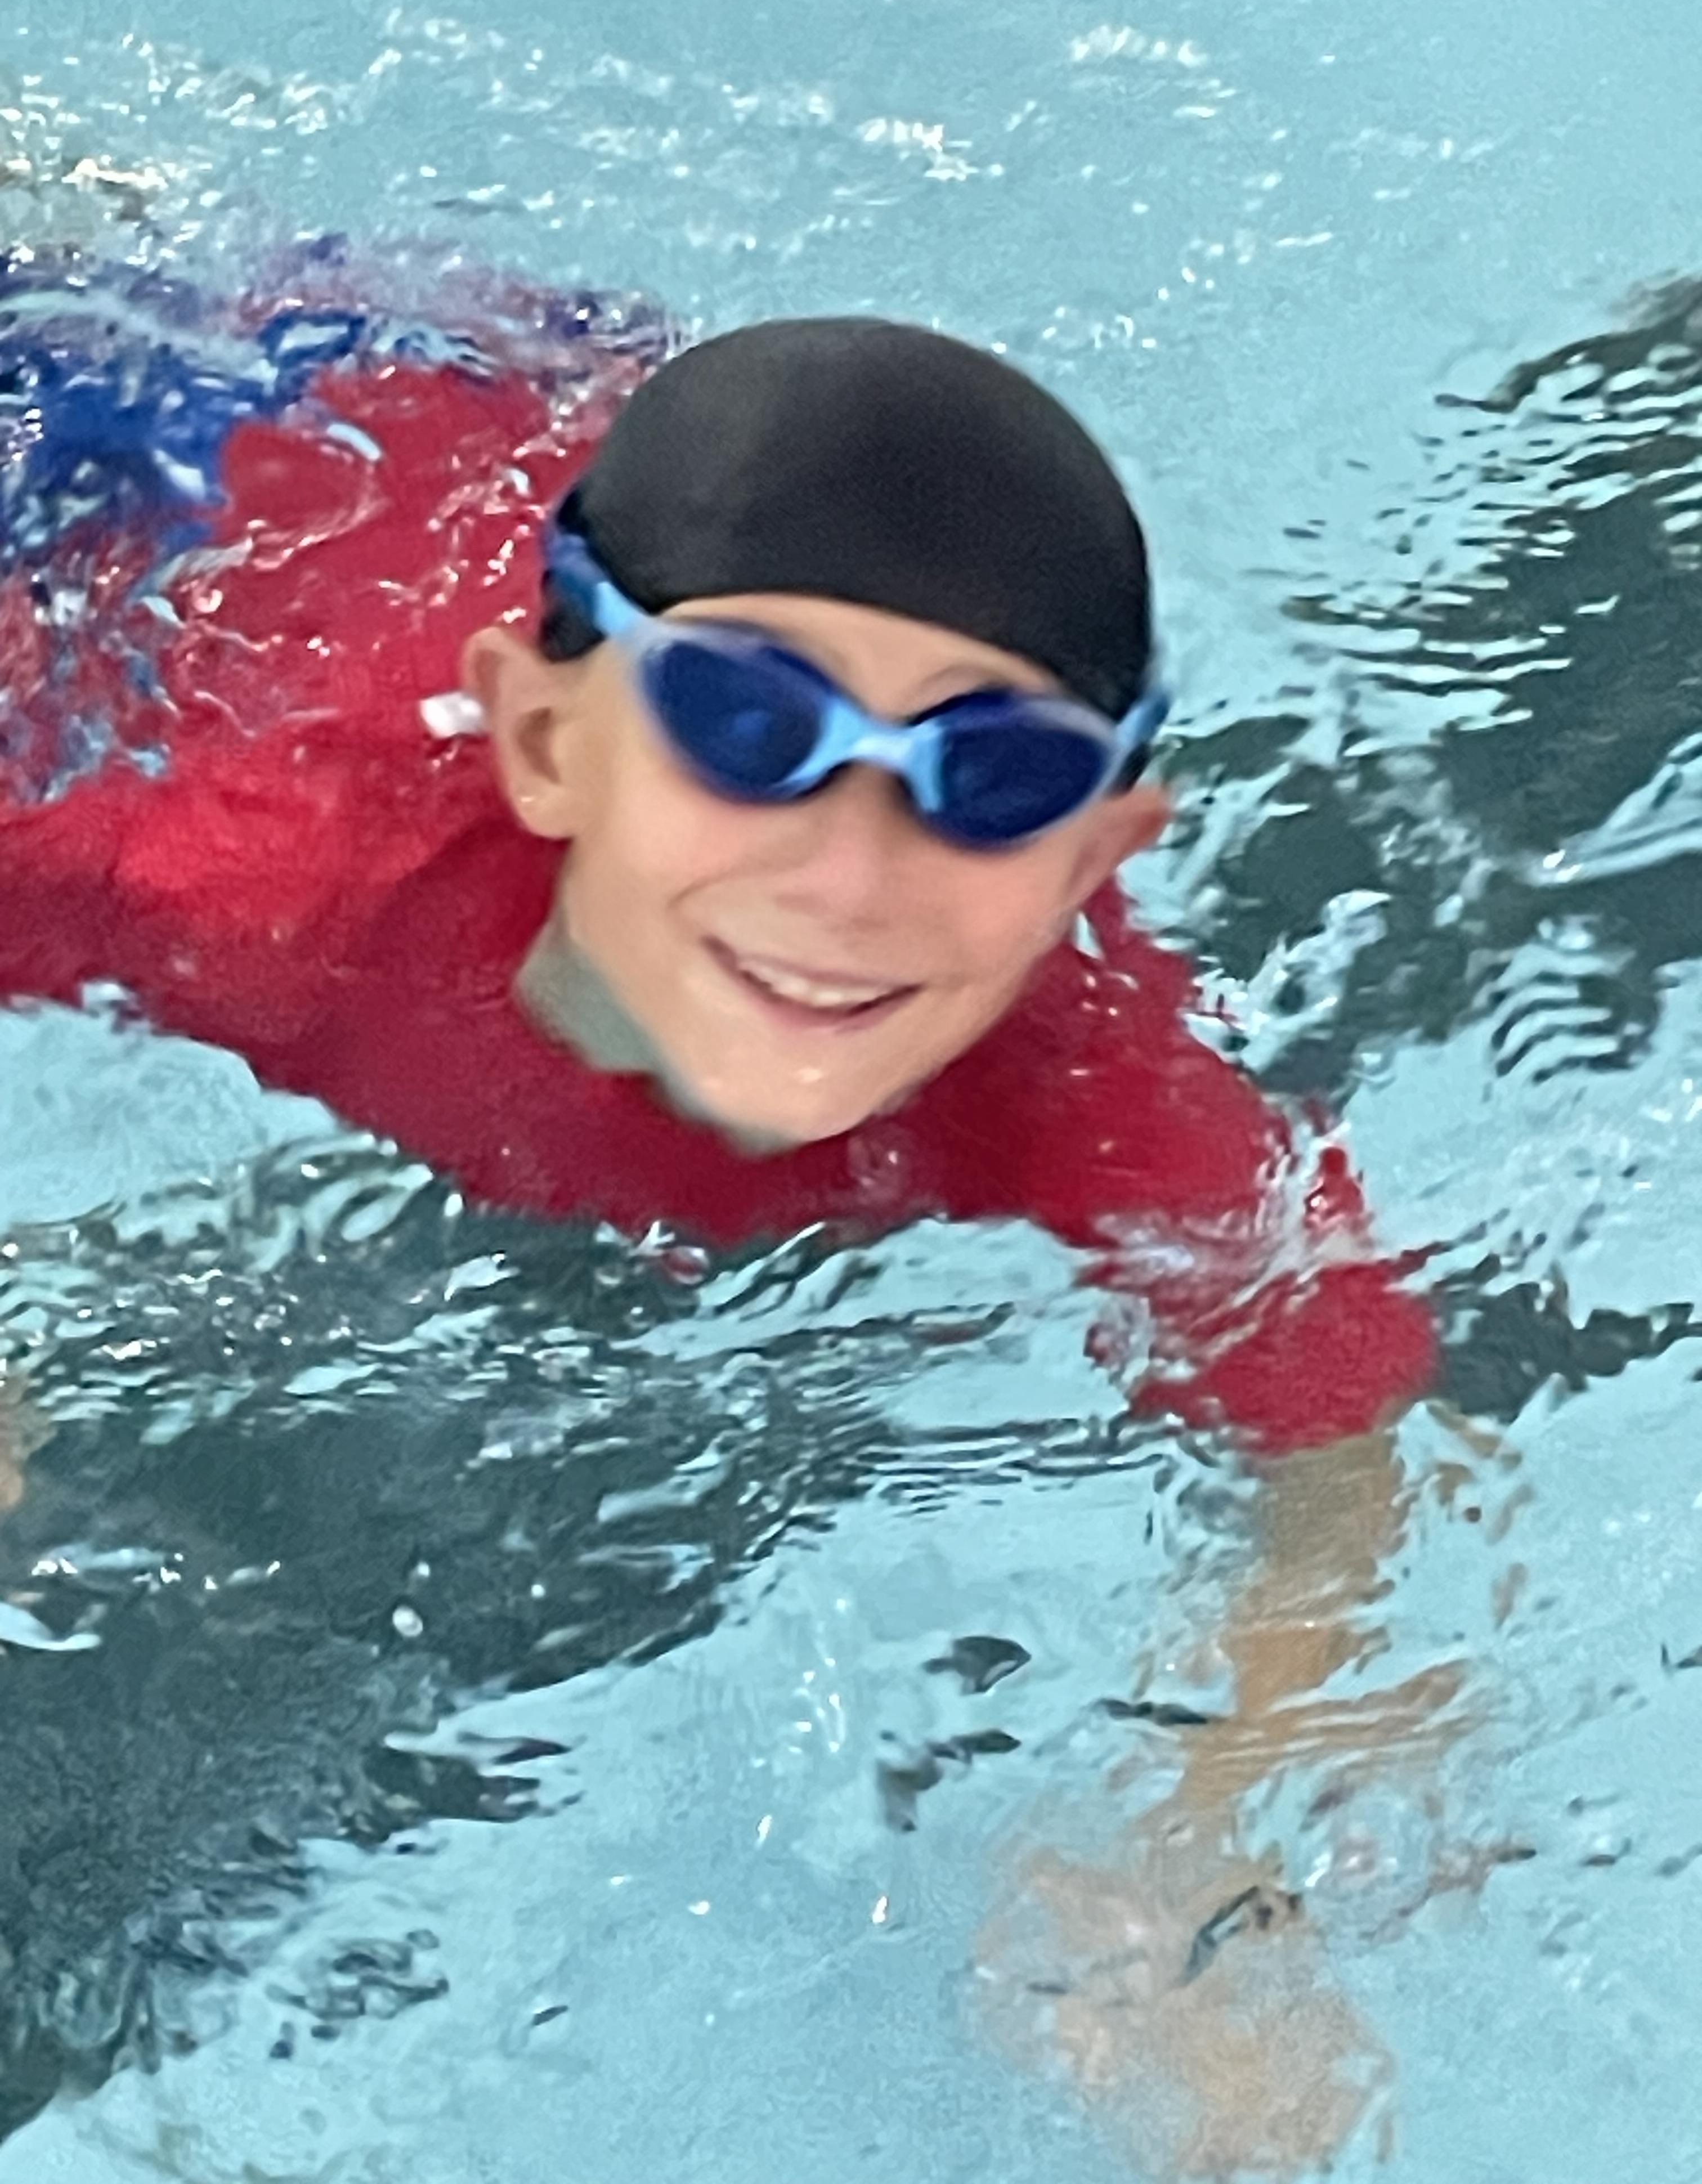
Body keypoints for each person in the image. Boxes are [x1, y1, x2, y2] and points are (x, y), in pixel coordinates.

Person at [0, 255, 1433, 1450]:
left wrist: (1281, 1671)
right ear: (543, 743)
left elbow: (1340, 1425)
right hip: (245, 434)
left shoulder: (1081, 1088)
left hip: (620, 461)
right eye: (745, 723)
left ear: (1084, 859)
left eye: (1001, 776)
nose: (850, 878)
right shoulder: (256, 875)